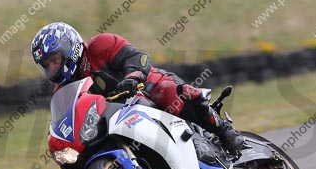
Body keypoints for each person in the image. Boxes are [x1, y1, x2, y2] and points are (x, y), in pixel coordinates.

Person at [30, 22, 246, 154]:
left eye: (54, 60)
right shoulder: (63, 90)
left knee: (170, 93)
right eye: (46, 65)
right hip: (118, 119)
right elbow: (68, 122)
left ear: (69, 47)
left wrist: (132, 77)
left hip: (147, 87)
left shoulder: (100, 45)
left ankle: (223, 130)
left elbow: (139, 57)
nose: (52, 67)